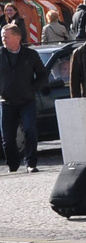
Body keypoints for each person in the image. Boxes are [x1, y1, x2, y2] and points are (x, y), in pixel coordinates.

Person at [0, 23, 48, 173]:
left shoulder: (30, 55)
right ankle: (13, 166)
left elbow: (43, 76)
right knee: (8, 138)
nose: (3, 39)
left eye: (6, 36)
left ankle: (30, 163)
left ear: (17, 37)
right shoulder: (0, 54)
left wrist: (31, 88)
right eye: (2, 36)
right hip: (6, 102)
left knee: (30, 131)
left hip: (27, 100)